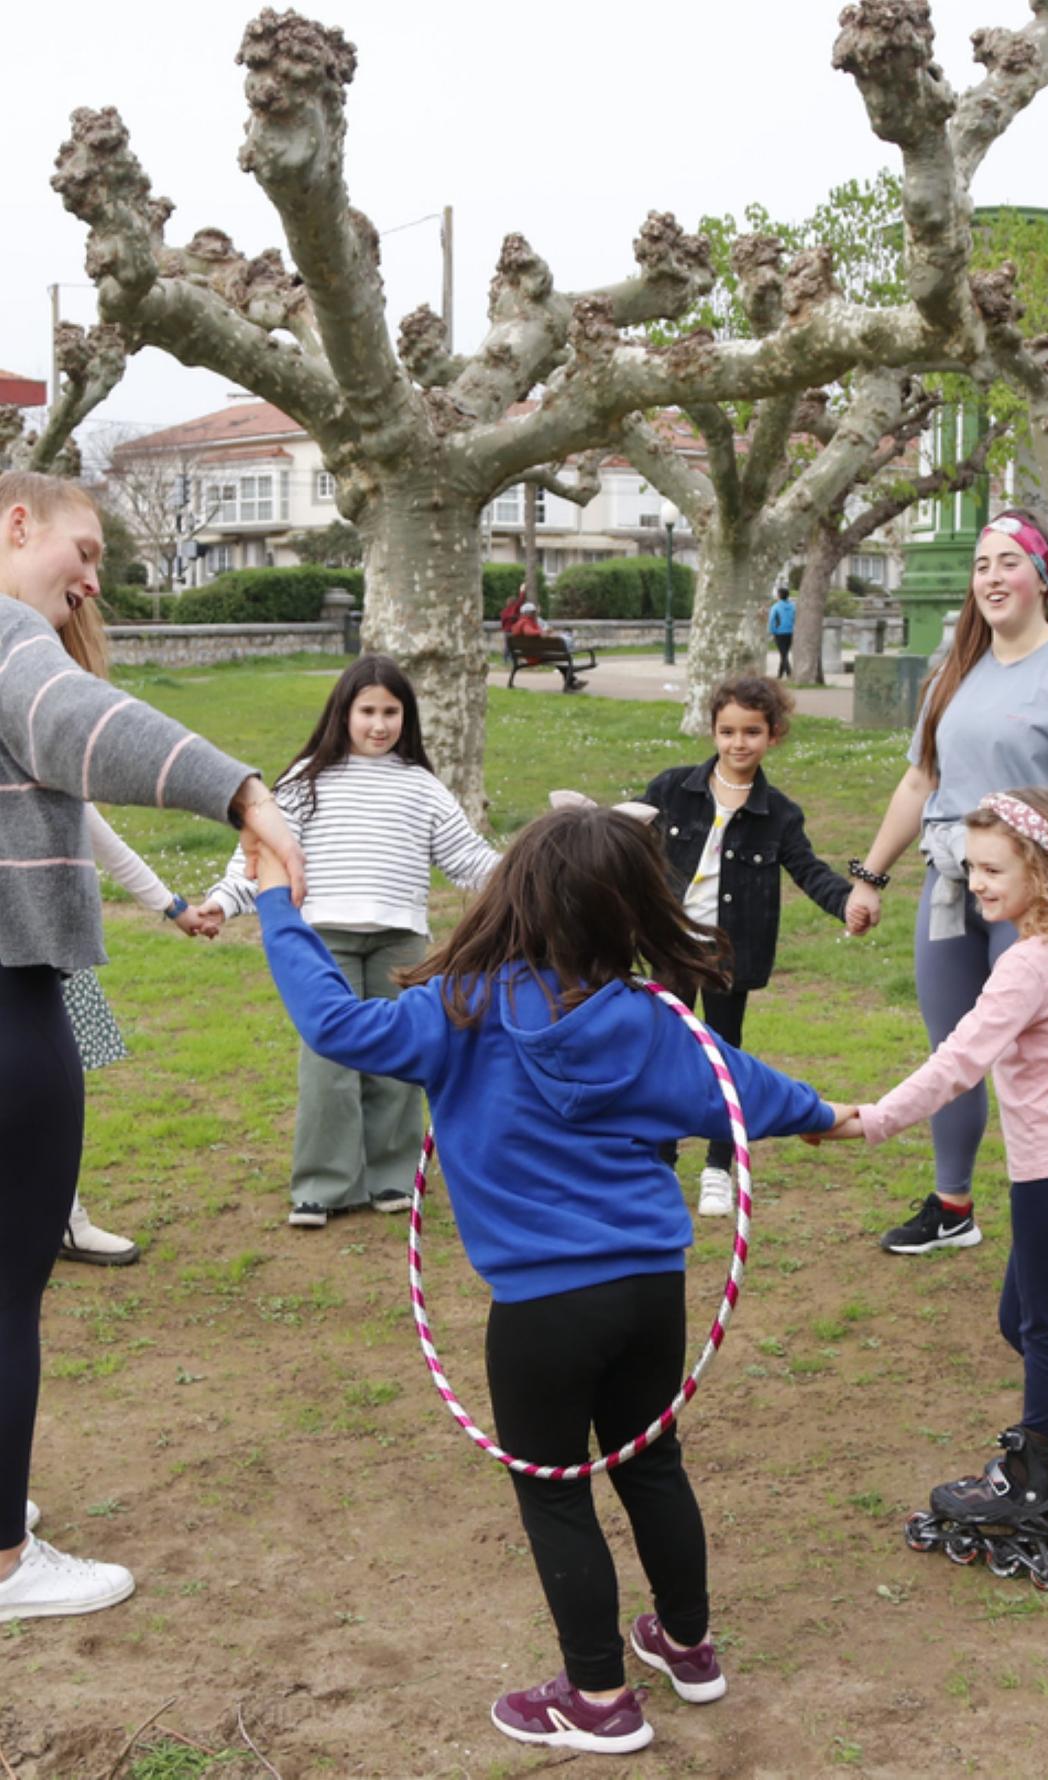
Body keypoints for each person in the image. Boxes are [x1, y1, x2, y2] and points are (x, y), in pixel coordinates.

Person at [251, 801, 847, 1754]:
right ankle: (688, 1648)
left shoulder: (459, 1008)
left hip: (540, 1308)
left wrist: (277, 902)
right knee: (651, 1462)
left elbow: (334, 1023)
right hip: (651, 1288)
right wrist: (824, 1113)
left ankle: (599, 1701)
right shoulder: (652, 1023)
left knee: (557, 1488)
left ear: (513, 897)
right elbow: (742, 1087)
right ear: (631, 913)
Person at [0, 468, 302, 1623]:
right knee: (6, 1290)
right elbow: (78, 720)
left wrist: (170, 896)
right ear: (16, 523)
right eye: (81, 547)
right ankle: (7, 1565)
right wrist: (241, 793)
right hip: (15, 995)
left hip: (35, 984)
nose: (90, 576)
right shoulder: (11, 637)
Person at [832, 788, 1048, 1572]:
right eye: (969, 866)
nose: (974, 881)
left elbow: (959, 1060)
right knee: (1023, 1323)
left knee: (1045, 1333)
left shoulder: (1026, 965)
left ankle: (1035, 1490)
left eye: (990, 868)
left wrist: (874, 1119)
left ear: (1046, 872)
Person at [845, 510, 1048, 1264]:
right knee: (954, 1048)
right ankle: (952, 1206)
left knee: (1039, 1065)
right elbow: (920, 780)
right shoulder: (953, 672)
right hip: (949, 887)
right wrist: (870, 876)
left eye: (1009, 562)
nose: (992, 578)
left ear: (1043, 577)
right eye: (981, 565)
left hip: (1036, 900)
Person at [196, 654, 497, 1228]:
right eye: (368, 711)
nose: (379, 725)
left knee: (399, 1060)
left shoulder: (423, 787)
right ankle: (323, 1184)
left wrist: (535, 873)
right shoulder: (303, 780)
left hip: (400, 940)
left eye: (392, 712)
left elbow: (470, 861)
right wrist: (223, 900)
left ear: (406, 718)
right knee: (328, 1061)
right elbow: (256, 856)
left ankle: (393, 1177)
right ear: (344, 713)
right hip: (323, 939)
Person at [639, 676, 850, 1215]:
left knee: (721, 1057)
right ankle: (660, 1159)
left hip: (730, 957)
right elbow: (624, 838)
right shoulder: (670, 790)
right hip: (671, 946)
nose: (738, 743)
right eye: (727, 731)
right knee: (662, 1052)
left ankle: (717, 1165)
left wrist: (848, 902)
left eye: (752, 732)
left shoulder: (778, 813)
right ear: (712, 731)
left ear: (772, 735)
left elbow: (808, 870)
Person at [58, 599, 213, 1266]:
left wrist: (172, 904)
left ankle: (61, 1215)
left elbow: (98, 833)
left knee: (57, 1086)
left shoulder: (44, 732)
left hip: (50, 946)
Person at [767, 583, 796, 679]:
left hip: (779, 632)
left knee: (783, 654)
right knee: (784, 653)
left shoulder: (776, 606)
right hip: (790, 632)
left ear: (779, 595)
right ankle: (780, 675)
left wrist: (772, 631)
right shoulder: (793, 606)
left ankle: (789, 674)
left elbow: (772, 620)